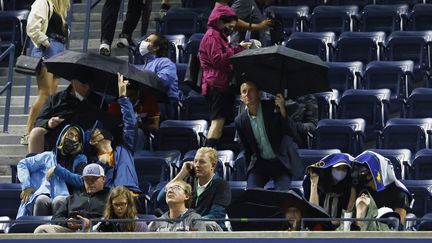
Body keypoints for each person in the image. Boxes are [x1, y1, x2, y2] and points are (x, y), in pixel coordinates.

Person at [234, 81, 306, 190]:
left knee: (282, 196)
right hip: (260, 163)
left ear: (259, 94)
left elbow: (290, 131)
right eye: (244, 92)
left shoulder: (273, 107)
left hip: (280, 161)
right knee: (251, 194)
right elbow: (247, 150)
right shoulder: (240, 121)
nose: (247, 94)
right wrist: (248, 172)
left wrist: (282, 110)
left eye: (251, 90)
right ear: (241, 98)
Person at [199, 2, 251, 148]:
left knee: (220, 122)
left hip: (222, 84)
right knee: (218, 121)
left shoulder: (219, 36)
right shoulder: (212, 36)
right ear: (220, 21)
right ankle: (207, 153)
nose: (231, 29)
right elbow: (218, 60)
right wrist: (239, 48)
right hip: (216, 85)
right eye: (230, 25)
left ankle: (211, 153)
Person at [22, 0, 70, 145]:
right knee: (45, 92)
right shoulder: (43, 2)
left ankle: (41, 129)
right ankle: (28, 133)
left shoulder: (60, 9)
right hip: (47, 49)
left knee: (51, 95)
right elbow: (32, 27)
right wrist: (46, 43)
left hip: (59, 51)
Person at [27, 77, 117, 154]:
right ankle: (35, 169)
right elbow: (39, 121)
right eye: (83, 83)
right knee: (36, 132)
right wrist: (49, 123)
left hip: (84, 139)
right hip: (57, 136)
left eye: (89, 83)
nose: (87, 87)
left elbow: (107, 123)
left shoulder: (99, 101)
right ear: (73, 82)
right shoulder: (55, 99)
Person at [17, 125, 87, 218]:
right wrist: (26, 185)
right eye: (70, 134)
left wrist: (57, 169)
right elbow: (23, 164)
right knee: (41, 199)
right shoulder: (47, 156)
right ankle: (36, 230)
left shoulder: (80, 159)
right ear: (62, 136)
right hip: (46, 194)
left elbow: (80, 180)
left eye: (76, 137)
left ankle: (58, 229)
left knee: (60, 200)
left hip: (70, 198)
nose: (73, 139)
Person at [89, 73, 141, 195]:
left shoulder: (124, 149)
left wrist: (123, 97)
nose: (102, 130)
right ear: (92, 141)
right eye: (97, 131)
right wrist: (102, 164)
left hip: (128, 195)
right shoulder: (93, 162)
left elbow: (131, 125)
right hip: (105, 199)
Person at [159, 147, 231, 229]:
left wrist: (191, 222)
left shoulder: (221, 185)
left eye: (202, 162)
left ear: (213, 165)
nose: (197, 165)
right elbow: (160, 199)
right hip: (187, 229)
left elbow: (216, 215)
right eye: (195, 161)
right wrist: (182, 174)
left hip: (210, 230)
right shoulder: (188, 181)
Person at [34, 163, 110, 233]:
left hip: (95, 229)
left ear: (103, 179)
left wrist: (91, 223)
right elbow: (56, 218)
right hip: (70, 230)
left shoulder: (110, 197)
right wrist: (67, 222)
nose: (90, 183)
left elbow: (112, 218)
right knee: (41, 230)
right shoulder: (71, 199)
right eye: (87, 179)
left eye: (94, 179)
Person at [351, 150, 412, 226]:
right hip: (362, 230)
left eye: (363, 172)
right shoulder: (358, 188)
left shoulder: (399, 193)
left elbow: (399, 225)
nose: (359, 174)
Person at [136, 33, 179, 120]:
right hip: (148, 103)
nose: (143, 43)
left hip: (163, 104)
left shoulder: (165, 62)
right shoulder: (145, 65)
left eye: (148, 41)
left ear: (156, 48)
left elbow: (162, 82)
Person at [303, 153, 356, 223]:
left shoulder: (348, 187)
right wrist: (314, 184)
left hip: (339, 229)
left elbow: (347, 215)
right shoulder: (316, 182)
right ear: (330, 168)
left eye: (344, 169)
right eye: (338, 168)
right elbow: (313, 213)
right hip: (318, 227)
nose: (340, 172)